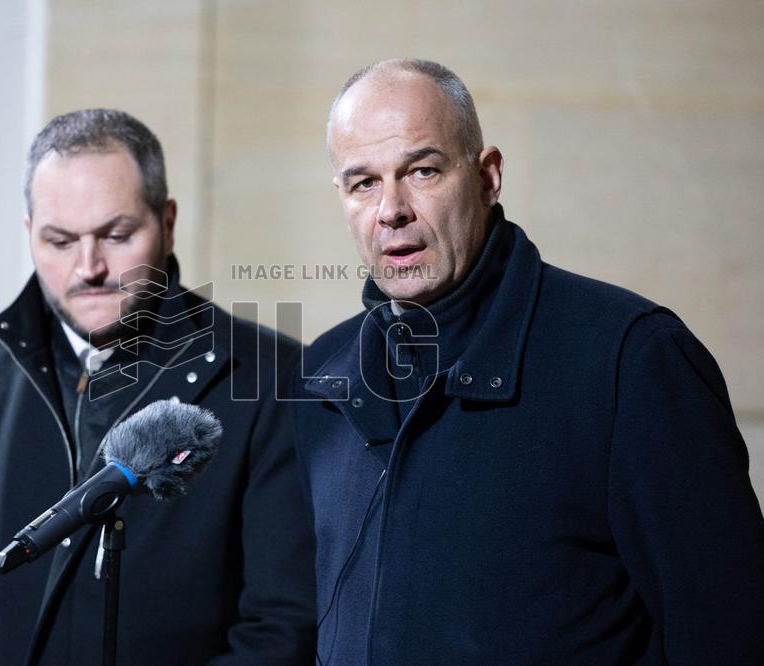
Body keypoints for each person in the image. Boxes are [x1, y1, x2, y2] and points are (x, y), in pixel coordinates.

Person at [290, 58, 764, 664]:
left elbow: (728, 634)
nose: (392, 209)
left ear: (488, 177)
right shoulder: (322, 377)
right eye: (364, 183)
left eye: (423, 171)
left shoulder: (632, 359)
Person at [0, 109, 316, 665]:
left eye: (117, 235)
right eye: (60, 241)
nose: (89, 267)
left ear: (167, 222)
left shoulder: (267, 378)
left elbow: (282, 630)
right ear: (30, 234)